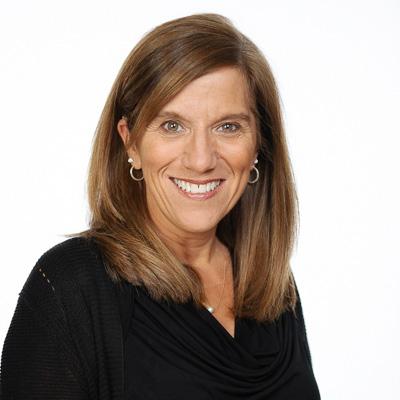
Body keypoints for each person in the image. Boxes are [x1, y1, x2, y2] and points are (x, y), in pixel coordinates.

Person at [0, 13, 320, 400]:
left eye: (228, 126)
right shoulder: (73, 286)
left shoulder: (271, 285)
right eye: (172, 125)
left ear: (258, 145)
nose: (201, 159)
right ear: (131, 142)